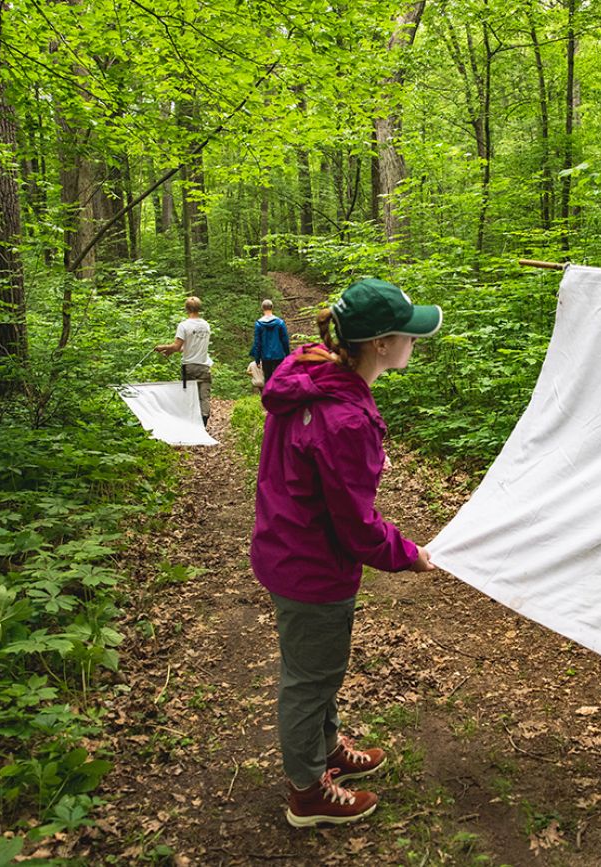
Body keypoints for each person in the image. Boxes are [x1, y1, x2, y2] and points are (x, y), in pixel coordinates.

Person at [250, 277, 443, 827]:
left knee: (318, 669)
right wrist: (409, 554)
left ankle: (326, 747)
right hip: (311, 567)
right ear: (380, 344)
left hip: (288, 548)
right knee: (310, 678)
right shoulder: (346, 418)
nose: (415, 344)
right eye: (410, 335)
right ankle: (308, 789)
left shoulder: (313, 373)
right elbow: (356, 528)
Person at [154, 296, 213, 427]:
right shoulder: (206, 325)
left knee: (189, 396)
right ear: (199, 308)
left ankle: (191, 423)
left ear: (186, 309)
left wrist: (162, 347)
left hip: (189, 367)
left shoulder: (184, 326)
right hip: (204, 366)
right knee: (204, 397)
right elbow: (191, 346)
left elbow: (176, 346)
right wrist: (173, 350)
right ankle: (203, 423)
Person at [250, 299, 291, 383]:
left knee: (268, 380)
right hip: (279, 355)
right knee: (280, 379)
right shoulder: (280, 323)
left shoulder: (259, 324)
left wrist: (257, 359)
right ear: (272, 307)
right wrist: (287, 355)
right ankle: (280, 395)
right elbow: (285, 340)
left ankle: (270, 395)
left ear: (262, 308)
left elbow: (257, 343)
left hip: (265, 356)